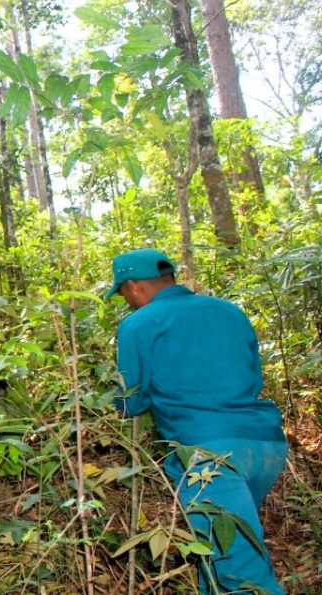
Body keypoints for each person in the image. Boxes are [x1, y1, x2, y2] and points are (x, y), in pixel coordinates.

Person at [106, 248, 287, 595]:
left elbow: (131, 400)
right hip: (266, 446)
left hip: (209, 457)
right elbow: (252, 373)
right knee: (217, 556)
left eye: (123, 293)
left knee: (242, 576)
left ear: (133, 286)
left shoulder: (139, 323)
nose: (126, 301)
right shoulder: (228, 310)